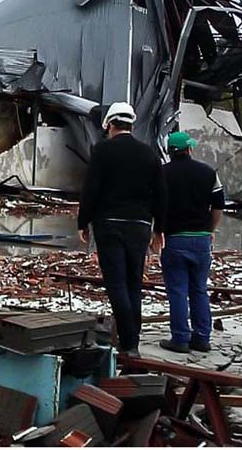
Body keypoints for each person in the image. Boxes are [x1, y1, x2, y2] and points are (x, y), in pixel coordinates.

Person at [77, 102, 166, 356]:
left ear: (110, 125)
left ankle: (129, 342)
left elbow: (91, 188)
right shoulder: (148, 153)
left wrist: (83, 222)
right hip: (140, 225)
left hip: (109, 224)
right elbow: (161, 193)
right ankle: (131, 339)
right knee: (133, 282)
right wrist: (159, 228)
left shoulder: (102, 151)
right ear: (131, 125)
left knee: (116, 283)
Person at [153, 131, 224, 354]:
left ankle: (180, 339)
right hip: (201, 240)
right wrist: (209, 230)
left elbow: (155, 206)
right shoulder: (208, 172)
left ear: (170, 152)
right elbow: (218, 206)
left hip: (174, 239)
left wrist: (157, 232)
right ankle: (202, 338)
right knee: (199, 290)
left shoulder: (162, 173)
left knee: (177, 291)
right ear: (189, 149)